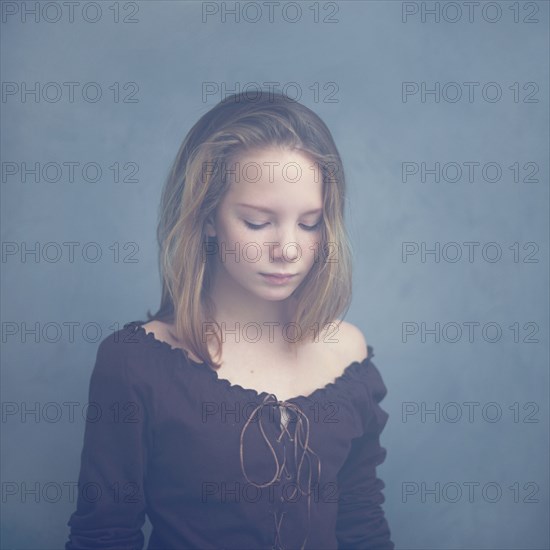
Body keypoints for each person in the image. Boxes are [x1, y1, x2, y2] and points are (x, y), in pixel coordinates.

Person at [65, 90, 394, 549]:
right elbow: (105, 535)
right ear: (207, 218)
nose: (289, 249)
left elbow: (362, 526)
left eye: (310, 222)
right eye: (258, 222)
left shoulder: (349, 355)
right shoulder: (134, 364)